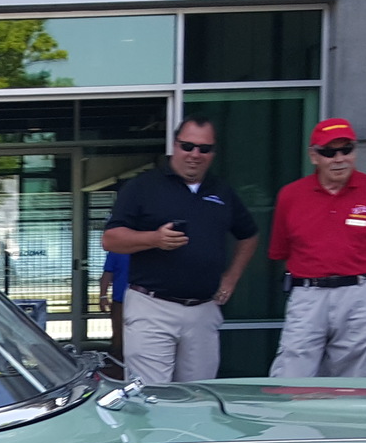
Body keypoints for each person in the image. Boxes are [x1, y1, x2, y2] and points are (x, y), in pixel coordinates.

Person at [101, 117, 260, 383]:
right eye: (188, 146)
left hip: (203, 309)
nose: (195, 154)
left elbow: (249, 235)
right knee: (150, 398)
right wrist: (154, 238)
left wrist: (231, 278)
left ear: (213, 153)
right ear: (174, 146)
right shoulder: (143, 186)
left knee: (199, 398)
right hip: (152, 307)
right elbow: (111, 239)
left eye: (204, 148)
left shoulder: (221, 191)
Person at [267, 118, 366, 378]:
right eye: (329, 152)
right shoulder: (291, 195)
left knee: (357, 379)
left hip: (360, 291)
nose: (339, 158)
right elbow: (281, 253)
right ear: (314, 156)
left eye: (346, 150)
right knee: (292, 373)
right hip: (308, 292)